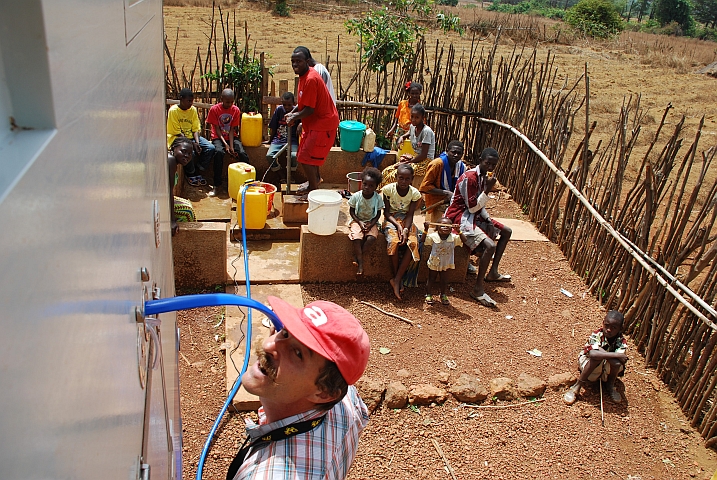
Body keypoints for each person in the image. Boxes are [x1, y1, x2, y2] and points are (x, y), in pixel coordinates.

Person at [226, 296, 370, 480]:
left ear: (324, 393)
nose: (269, 345)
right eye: (284, 333)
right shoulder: (347, 398)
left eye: (297, 353)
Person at [445, 147, 512, 308]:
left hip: (473, 214)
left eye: (493, 165)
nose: (490, 167)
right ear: (480, 160)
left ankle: (493, 272)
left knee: (506, 231)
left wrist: (488, 220)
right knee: (490, 245)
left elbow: (479, 208)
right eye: (487, 163)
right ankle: (477, 288)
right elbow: (473, 206)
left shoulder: (484, 178)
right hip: (459, 216)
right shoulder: (470, 178)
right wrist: (488, 189)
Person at [285, 46, 339, 199]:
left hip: (323, 124)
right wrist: (294, 112)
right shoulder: (304, 77)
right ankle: (314, 182)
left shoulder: (311, 78)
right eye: (293, 61)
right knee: (310, 157)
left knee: (304, 158)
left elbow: (309, 109)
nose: (295, 65)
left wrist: (294, 117)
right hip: (315, 124)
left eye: (299, 61)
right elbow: (304, 103)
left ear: (307, 62)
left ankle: (313, 192)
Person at [564, 311, 629, 405]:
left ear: (620, 329)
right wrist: (617, 355)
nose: (609, 330)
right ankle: (576, 386)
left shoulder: (621, 341)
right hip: (589, 366)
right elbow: (593, 355)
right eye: (607, 325)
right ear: (603, 323)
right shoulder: (597, 334)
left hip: (605, 372)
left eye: (614, 328)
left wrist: (600, 351)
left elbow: (616, 363)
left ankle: (610, 385)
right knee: (596, 358)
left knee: (616, 363)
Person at [383, 164, 422, 300]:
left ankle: (397, 278)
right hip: (392, 219)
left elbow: (410, 214)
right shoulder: (388, 190)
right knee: (393, 241)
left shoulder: (414, 194)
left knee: (413, 243)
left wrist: (405, 229)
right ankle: (397, 278)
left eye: (407, 179)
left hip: (406, 220)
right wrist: (398, 227)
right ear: (396, 177)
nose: (404, 182)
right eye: (401, 178)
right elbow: (386, 213)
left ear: (412, 179)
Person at [166, 88, 216, 187]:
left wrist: (197, 142)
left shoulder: (192, 110)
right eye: (188, 101)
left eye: (192, 101)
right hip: (177, 138)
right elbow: (177, 132)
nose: (190, 103)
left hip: (191, 138)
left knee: (210, 148)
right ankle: (190, 173)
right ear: (181, 99)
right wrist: (192, 144)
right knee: (190, 153)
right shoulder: (173, 111)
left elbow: (195, 128)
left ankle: (198, 169)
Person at [378, 104, 434, 190]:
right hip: (416, 159)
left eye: (417, 117)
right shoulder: (413, 127)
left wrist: (407, 162)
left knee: (394, 175)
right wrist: (402, 137)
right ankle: (379, 193)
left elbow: (424, 155)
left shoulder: (426, 131)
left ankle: (385, 193)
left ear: (423, 118)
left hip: (425, 162)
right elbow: (409, 133)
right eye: (412, 117)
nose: (414, 120)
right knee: (387, 171)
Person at [206, 88, 249, 196]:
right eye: (227, 102)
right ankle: (217, 185)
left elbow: (231, 130)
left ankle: (248, 183)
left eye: (231, 102)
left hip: (231, 137)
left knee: (242, 154)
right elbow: (217, 129)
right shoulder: (214, 110)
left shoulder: (235, 110)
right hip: (218, 137)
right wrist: (225, 145)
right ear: (221, 99)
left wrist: (231, 147)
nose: (229, 104)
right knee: (219, 153)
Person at [419, 140, 467, 224]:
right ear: (447, 150)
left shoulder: (461, 167)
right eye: (453, 152)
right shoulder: (437, 164)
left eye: (459, 153)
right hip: (436, 199)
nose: (456, 155)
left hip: (452, 198)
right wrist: (446, 193)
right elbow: (425, 187)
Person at [423, 218, 468, 306]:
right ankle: (428, 294)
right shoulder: (433, 236)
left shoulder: (454, 238)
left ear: (451, 228)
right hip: (434, 262)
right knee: (431, 278)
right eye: (442, 225)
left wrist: (459, 231)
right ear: (437, 227)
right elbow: (423, 240)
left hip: (446, 263)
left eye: (448, 226)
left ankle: (443, 294)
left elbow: (465, 240)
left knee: (444, 279)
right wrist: (425, 229)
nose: (445, 228)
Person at [348, 167, 384, 276]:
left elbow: (378, 214)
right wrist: (359, 222)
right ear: (362, 183)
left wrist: (371, 224)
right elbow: (352, 211)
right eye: (365, 184)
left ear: (376, 187)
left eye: (371, 185)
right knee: (357, 238)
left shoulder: (377, 198)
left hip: (371, 222)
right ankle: (361, 264)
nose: (367, 187)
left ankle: (357, 256)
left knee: (371, 238)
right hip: (357, 220)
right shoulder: (356, 196)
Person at [266, 91, 299, 189]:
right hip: (278, 139)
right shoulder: (279, 110)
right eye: (284, 105)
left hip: (292, 140)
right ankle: (281, 175)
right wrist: (270, 140)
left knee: (294, 156)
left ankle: (290, 175)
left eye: (289, 105)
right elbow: (273, 127)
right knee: (269, 156)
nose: (287, 107)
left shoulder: (297, 112)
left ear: (293, 104)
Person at [167, 137, 196, 235]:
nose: (187, 156)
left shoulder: (173, 162)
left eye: (190, 153)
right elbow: (168, 192)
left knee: (187, 204)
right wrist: (171, 221)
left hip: (163, 197)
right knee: (188, 213)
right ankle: (184, 241)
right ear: (173, 148)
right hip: (160, 200)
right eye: (183, 151)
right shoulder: (170, 161)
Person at [386, 82, 422, 148]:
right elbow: (397, 118)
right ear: (409, 93)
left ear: (420, 93)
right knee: (395, 150)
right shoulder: (402, 103)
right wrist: (392, 130)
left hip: (410, 133)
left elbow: (420, 124)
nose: (414, 95)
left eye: (416, 93)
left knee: (406, 153)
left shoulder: (419, 108)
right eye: (412, 93)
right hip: (399, 131)